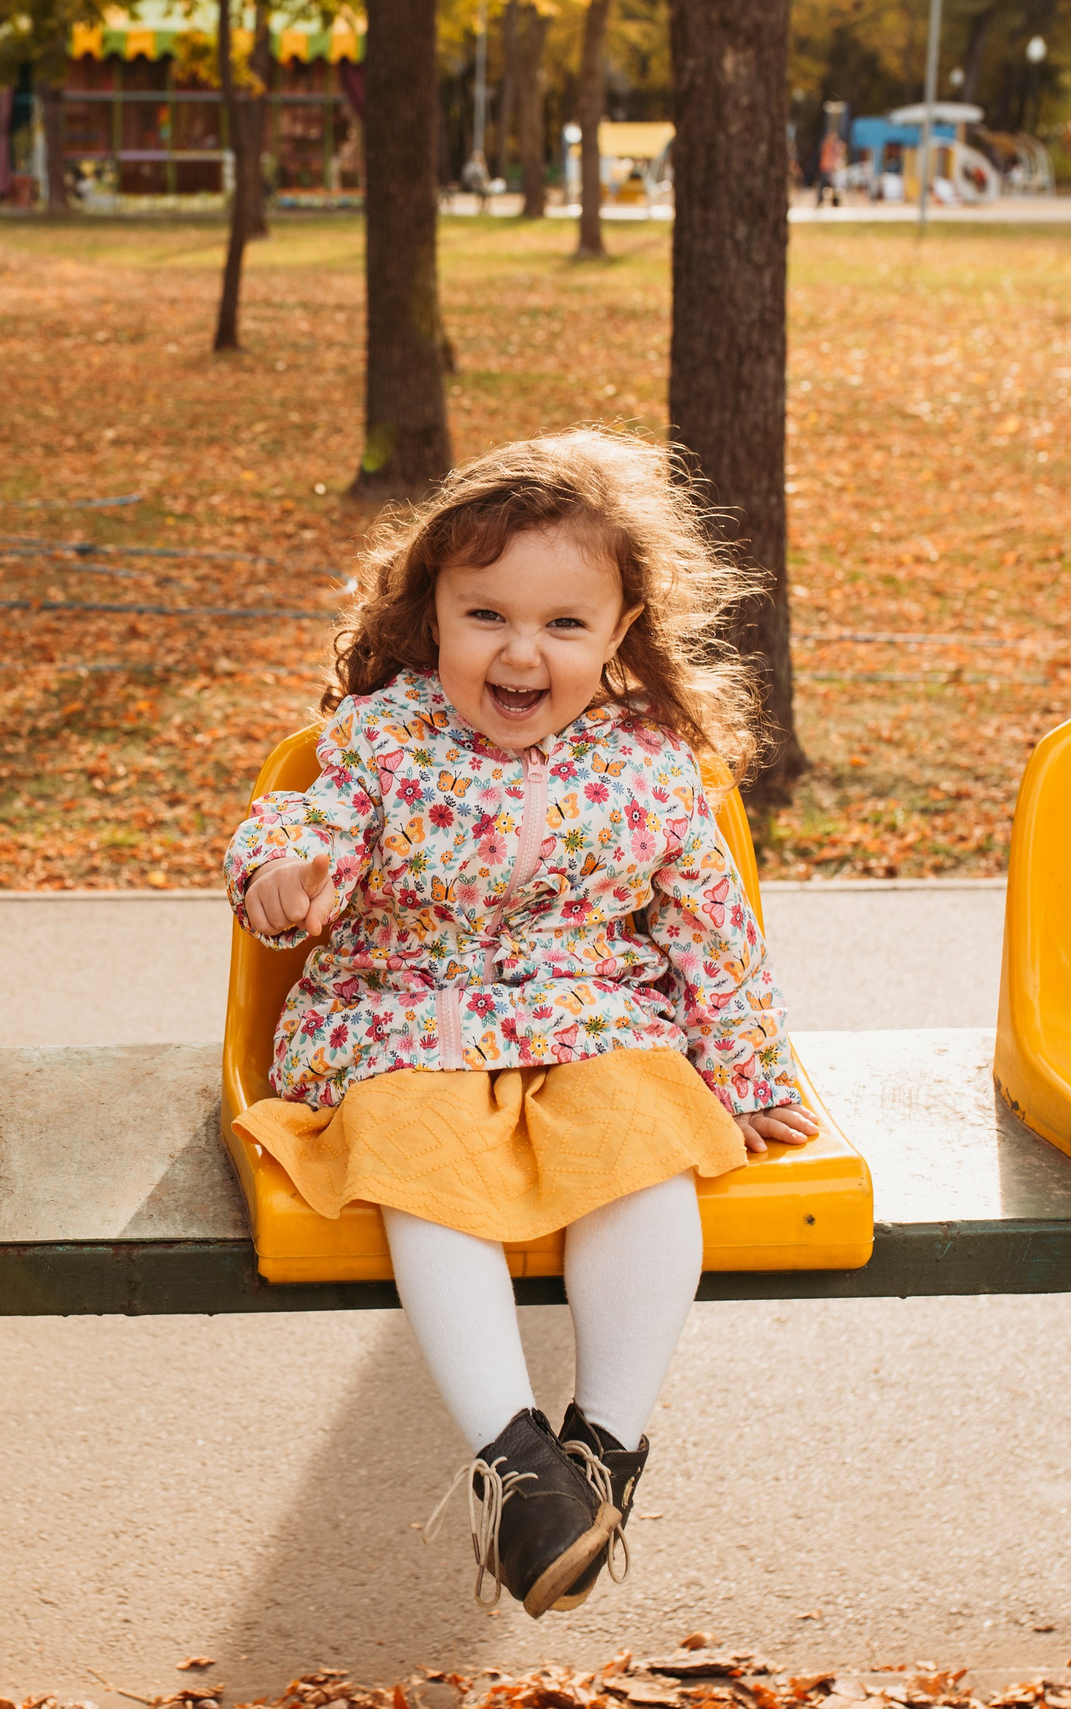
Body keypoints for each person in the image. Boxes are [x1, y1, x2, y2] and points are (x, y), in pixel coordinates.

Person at [225, 430, 817, 1620]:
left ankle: (601, 1447)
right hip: (403, 1013)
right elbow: (302, 828)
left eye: (560, 622)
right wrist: (287, 876)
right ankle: (509, 1457)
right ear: (431, 613)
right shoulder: (383, 739)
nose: (518, 650)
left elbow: (711, 927)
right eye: (484, 613)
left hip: (588, 1014)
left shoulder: (652, 765)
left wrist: (745, 1075)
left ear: (619, 630)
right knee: (420, 1164)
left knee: (646, 1149)